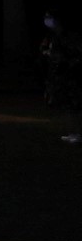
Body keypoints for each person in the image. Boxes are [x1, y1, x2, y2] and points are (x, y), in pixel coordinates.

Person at [42, 13, 81, 145]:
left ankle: (75, 134)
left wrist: (65, 62)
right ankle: (73, 133)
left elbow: (73, 55)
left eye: (50, 18)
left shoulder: (68, 37)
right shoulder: (55, 37)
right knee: (68, 106)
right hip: (64, 76)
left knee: (73, 106)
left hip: (72, 76)